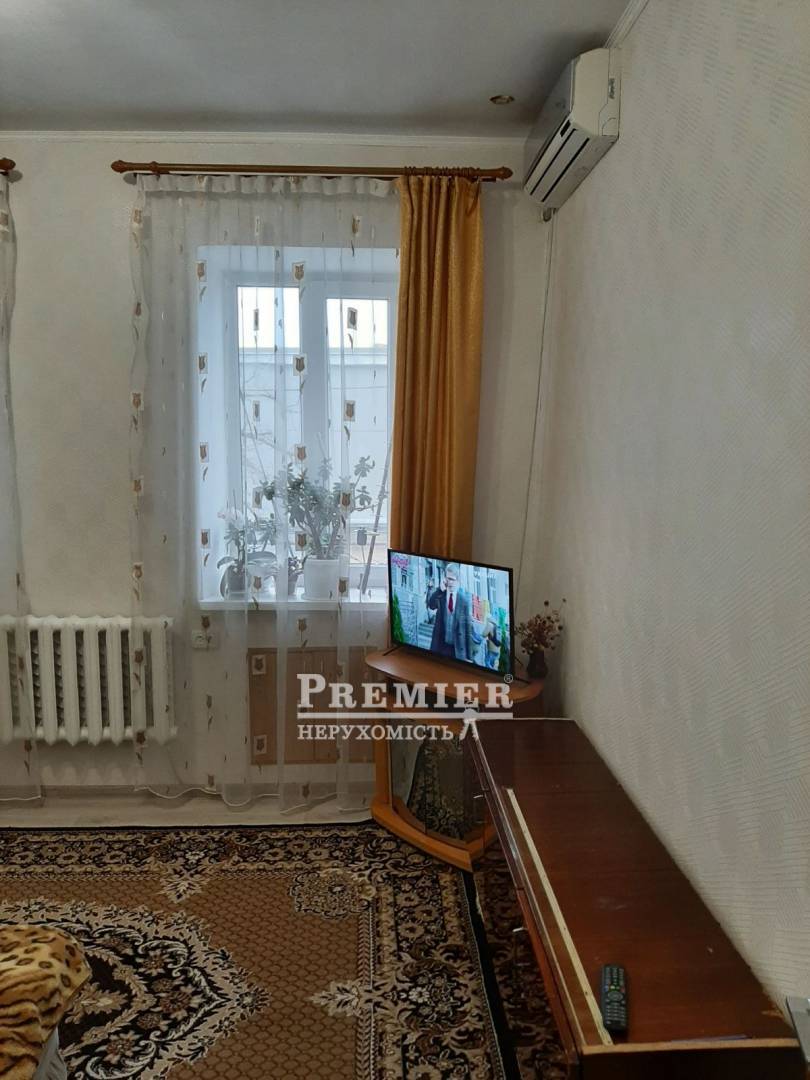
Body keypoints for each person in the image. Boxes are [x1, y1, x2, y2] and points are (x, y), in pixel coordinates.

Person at [426, 563, 475, 662]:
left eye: (452, 579)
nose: (450, 582)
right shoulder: (441, 595)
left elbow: (468, 630)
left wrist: (469, 657)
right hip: (441, 647)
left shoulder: (464, 601)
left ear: (457, 580)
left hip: (457, 650)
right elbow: (431, 605)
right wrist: (439, 590)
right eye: (448, 579)